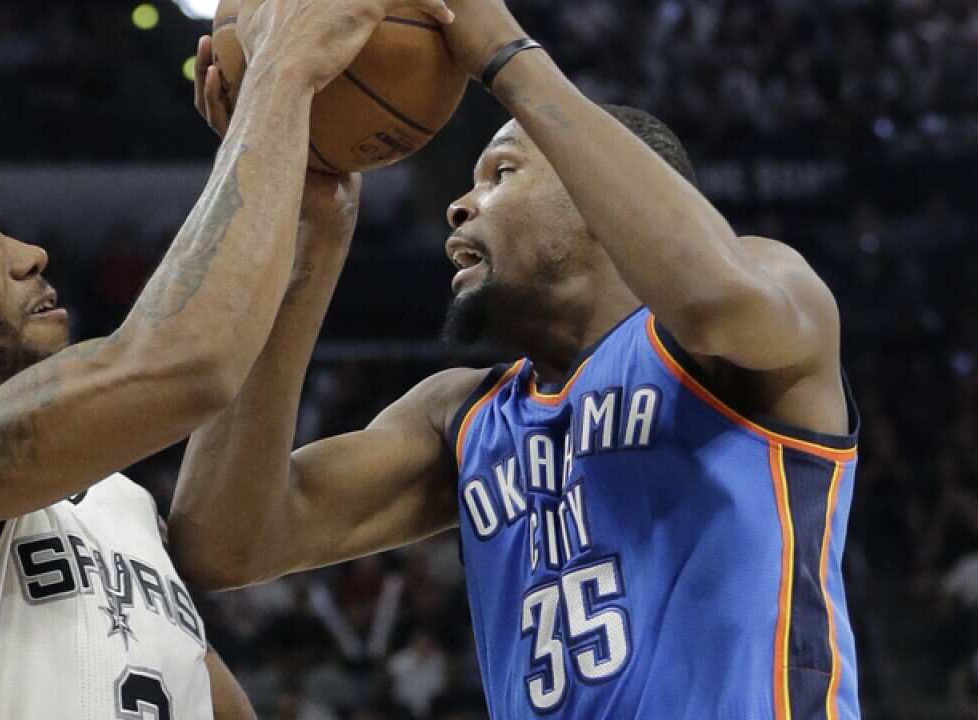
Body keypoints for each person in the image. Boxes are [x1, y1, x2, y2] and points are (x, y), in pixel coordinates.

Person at [0, 0, 452, 716]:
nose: (30, 256)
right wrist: (281, 75)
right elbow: (184, 365)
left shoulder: (122, 505)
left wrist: (315, 220)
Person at [173, 0, 860, 717]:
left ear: (602, 192)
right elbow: (223, 542)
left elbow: (715, 302)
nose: (460, 206)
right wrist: (308, 221)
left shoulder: (765, 295)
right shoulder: (461, 417)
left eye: (500, 172)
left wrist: (504, 53)